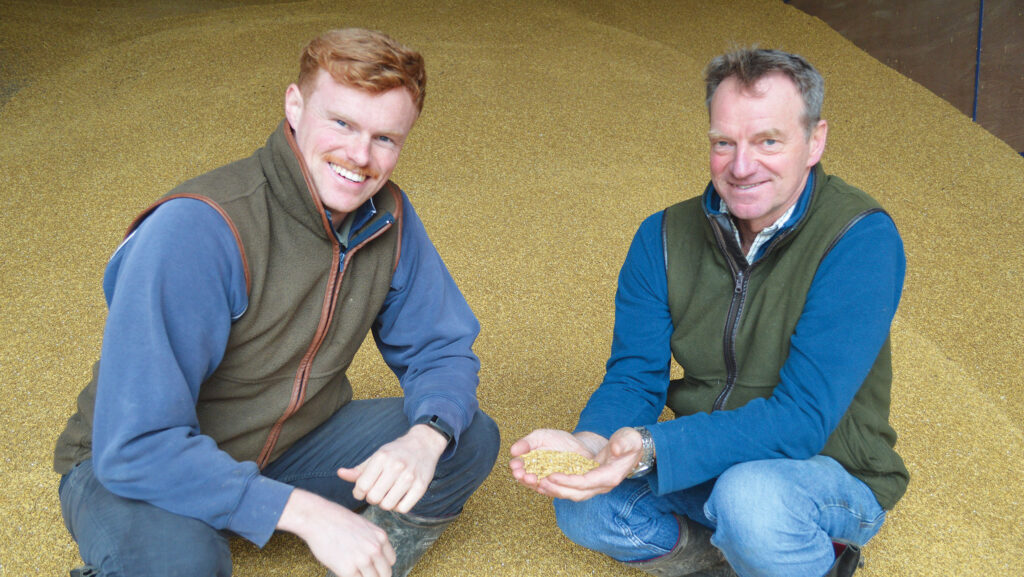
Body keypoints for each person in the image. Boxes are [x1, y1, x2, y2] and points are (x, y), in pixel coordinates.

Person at [54, 28, 499, 577]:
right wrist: (310, 516)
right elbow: (136, 444)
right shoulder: (199, 227)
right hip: (138, 466)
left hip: (289, 445)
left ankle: (375, 558)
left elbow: (441, 348)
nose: (360, 157)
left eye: (385, 138)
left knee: (464, 434)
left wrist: (424, 439)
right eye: (342, 123)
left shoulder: (389, 216)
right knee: (186, 562)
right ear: (295, 105)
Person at [510, 48, 909, 577]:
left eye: (768, 141)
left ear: (815, 142)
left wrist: (652, 446)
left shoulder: (860, 238)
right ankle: (731, 558)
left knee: (752, 502)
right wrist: (592, 443)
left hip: (830, 471)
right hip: (712, 458)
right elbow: (634, 378)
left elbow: (804, 419)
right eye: (725, 143)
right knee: (583, 505)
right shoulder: (662, 237)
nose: (742, 167)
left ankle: (810, 552)